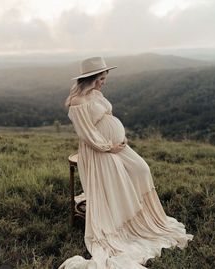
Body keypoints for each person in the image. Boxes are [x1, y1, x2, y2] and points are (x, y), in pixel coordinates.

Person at [58, 56, 194, 269]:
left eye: (105, 77)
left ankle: (146, 214)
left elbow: (108, 117)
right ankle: (125, 220)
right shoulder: (77, 102)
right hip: (98, 150)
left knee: (142, 169)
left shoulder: (97, 94)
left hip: (117, 146)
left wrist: (120, 138)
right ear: (92, 78)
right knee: (119, 175)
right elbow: (86, 133)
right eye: (102, 78)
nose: (104, 81)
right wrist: (107, 147)